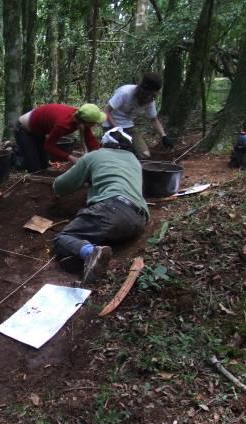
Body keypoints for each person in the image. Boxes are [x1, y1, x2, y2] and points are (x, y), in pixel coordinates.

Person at [52, 127, 149, 283]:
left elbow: (60, 186)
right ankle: (88, 255)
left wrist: (86, 174)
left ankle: (91, 253)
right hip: (138, 220)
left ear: (104, 143)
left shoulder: (94, 156)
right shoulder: (134, 161)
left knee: (63, 238)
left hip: (112, 209)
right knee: (102, 229)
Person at [14, 103, 106, 172]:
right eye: (94, 122)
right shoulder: (63, 124)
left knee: (43, 166)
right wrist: (71, 157)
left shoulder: (81, 118)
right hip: (23, 130)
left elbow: (91, 141)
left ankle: (20, 154)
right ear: (87, 122)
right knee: (35, 169)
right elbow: (49, 146)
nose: (95, 124)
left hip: (38, 130)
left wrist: (98, 158)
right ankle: (14, 157)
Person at [103, 72, 174, 159]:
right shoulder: (125, 92)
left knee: (144, 154)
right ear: (142, 89)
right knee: (119, 154)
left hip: (128, 127)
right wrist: (118, 130)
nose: (149, 97)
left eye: (153, 94)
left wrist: (164, 136)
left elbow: (153, 120)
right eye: (148, 94)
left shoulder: (150, 100)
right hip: (111, 126)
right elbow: (106, 111)